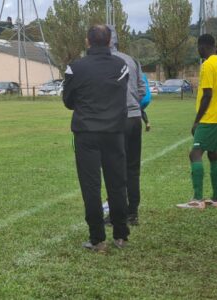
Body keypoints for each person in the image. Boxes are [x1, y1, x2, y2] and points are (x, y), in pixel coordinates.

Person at [63, 25, 130, 252]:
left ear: (87, 41)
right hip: (114, 133)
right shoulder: (121, 66)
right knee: (117, 182)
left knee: (90, 186)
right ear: (110, 40)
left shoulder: (75, 67)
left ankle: (97, 239)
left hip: (86, 133)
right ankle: (121, 234)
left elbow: (68, 101)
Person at [108, 26, 147, 226]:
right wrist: (133, 104)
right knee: (132, 168)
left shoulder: (106, 61)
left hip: (116, 119)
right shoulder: (132, 60)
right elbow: (142, 89)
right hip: (134, 118)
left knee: (114, 169)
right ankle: (133, 213)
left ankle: (117, 213)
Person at [177, 34, 217, 209]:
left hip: (209, 118)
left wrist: (197, 121)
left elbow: (207, 95)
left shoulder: (208, 64)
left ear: (202, 47)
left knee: (195, 153)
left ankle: (197, 199)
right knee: (214, 154)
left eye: (198, 47)